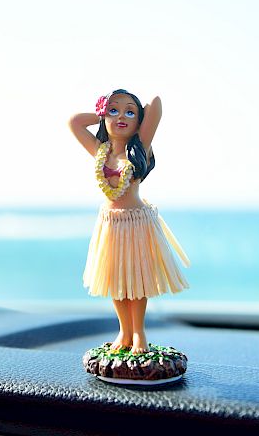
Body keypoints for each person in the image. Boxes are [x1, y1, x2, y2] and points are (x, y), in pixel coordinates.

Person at [69, 89, 190, 354]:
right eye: (114, 110)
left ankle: (138, 333)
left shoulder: (139, 147)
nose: (121, 116)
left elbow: (156, 104)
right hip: (111, 224)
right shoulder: (101, 151)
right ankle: (124, 331)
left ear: (139, 121)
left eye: (129, 112)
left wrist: (140, 116)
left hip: (136, 223)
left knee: (136, 280)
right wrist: (101, 113)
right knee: (116, 280)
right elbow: (75, 122)